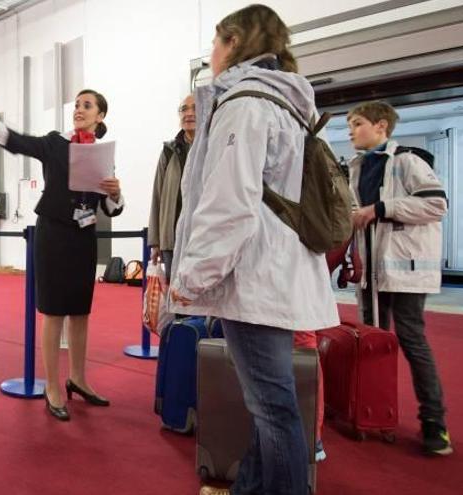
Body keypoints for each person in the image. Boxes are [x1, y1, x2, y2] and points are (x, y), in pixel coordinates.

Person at [166, 5, 338, 495]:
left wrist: (192, 276)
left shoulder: (244, 103)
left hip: (255, 275)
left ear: (235, 41)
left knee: (272, 405)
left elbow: (229, 204)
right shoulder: (285, 102)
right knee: (270, 400)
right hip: (275, 271)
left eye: (216, 44)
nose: (212, 56)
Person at [0, 90, 123, 422]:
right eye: (77, 105)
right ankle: (52, 387)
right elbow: (20, 142)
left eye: (87, 105)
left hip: (84, 236)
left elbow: (109, 207)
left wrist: (116, 193)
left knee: (80, 312)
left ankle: (78, 378)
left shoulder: (103, 154)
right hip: (53, 233)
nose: (79, 109)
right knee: (53, 311)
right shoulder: (54, 143)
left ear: (100, 116)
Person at [347, 100, 452, 456]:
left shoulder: (408, 161)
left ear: (381, 127)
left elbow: (437, 204)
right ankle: (370, 412)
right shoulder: (357, 168)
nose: (351, 131)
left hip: (406, 271)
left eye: (358, 123)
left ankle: (434, 422)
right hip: (372, 273)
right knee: (370, 343)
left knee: (412, 341)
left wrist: (381, 209)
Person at [148, 94, 195, 281]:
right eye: (184, 109)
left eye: (195, 108)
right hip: (172, 240)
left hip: (202, 239)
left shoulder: (212, 147)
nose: (189, 113)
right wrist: (156, 241)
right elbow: (157, 196)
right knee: (177, 301)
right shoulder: (169, 151)